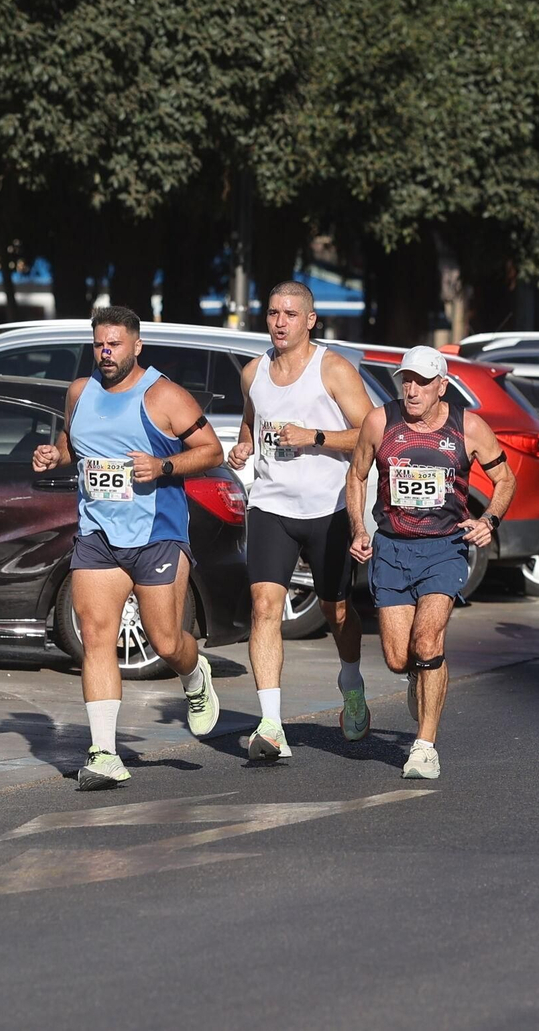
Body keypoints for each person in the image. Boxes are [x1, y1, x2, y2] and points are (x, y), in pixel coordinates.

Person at [31, 306, 225, 791]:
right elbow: (73, 442)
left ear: (136, 346)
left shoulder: (163, 395)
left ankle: (195, 672)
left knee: (165, 642)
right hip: (98, 533)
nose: (105, 353)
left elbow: (212, 451)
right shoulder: (80, 391)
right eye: (99, 344)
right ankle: (103, 754)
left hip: (156, 532)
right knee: (97, 638)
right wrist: (56, 454)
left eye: (114, 344)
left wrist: (162, 468)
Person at [347, 346, 515, 780]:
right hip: (391, 547)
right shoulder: (380, 421)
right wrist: (359, 530)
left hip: (444, 548)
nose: (411, 389)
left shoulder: (469, 427)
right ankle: (417, 679)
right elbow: (357, 474)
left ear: (442, 385)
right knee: (397, 659)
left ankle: (425, 746)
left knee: (427, 642)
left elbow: (504, 478)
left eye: (422, 381)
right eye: (406, 379)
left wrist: (489, 519)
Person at [225, 282, 376, 762]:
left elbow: (370, 436)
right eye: (272, 313)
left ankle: (350, 681)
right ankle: (270, 724)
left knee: (336, 612)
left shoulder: (332, 369)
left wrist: (313, 436)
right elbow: (252, 419)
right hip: (270, 506)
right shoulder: (254, 372)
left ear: (310, 320)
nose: (280, 322)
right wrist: (244, 444)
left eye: (291, 313)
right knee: (264, 607)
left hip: (327, 508)